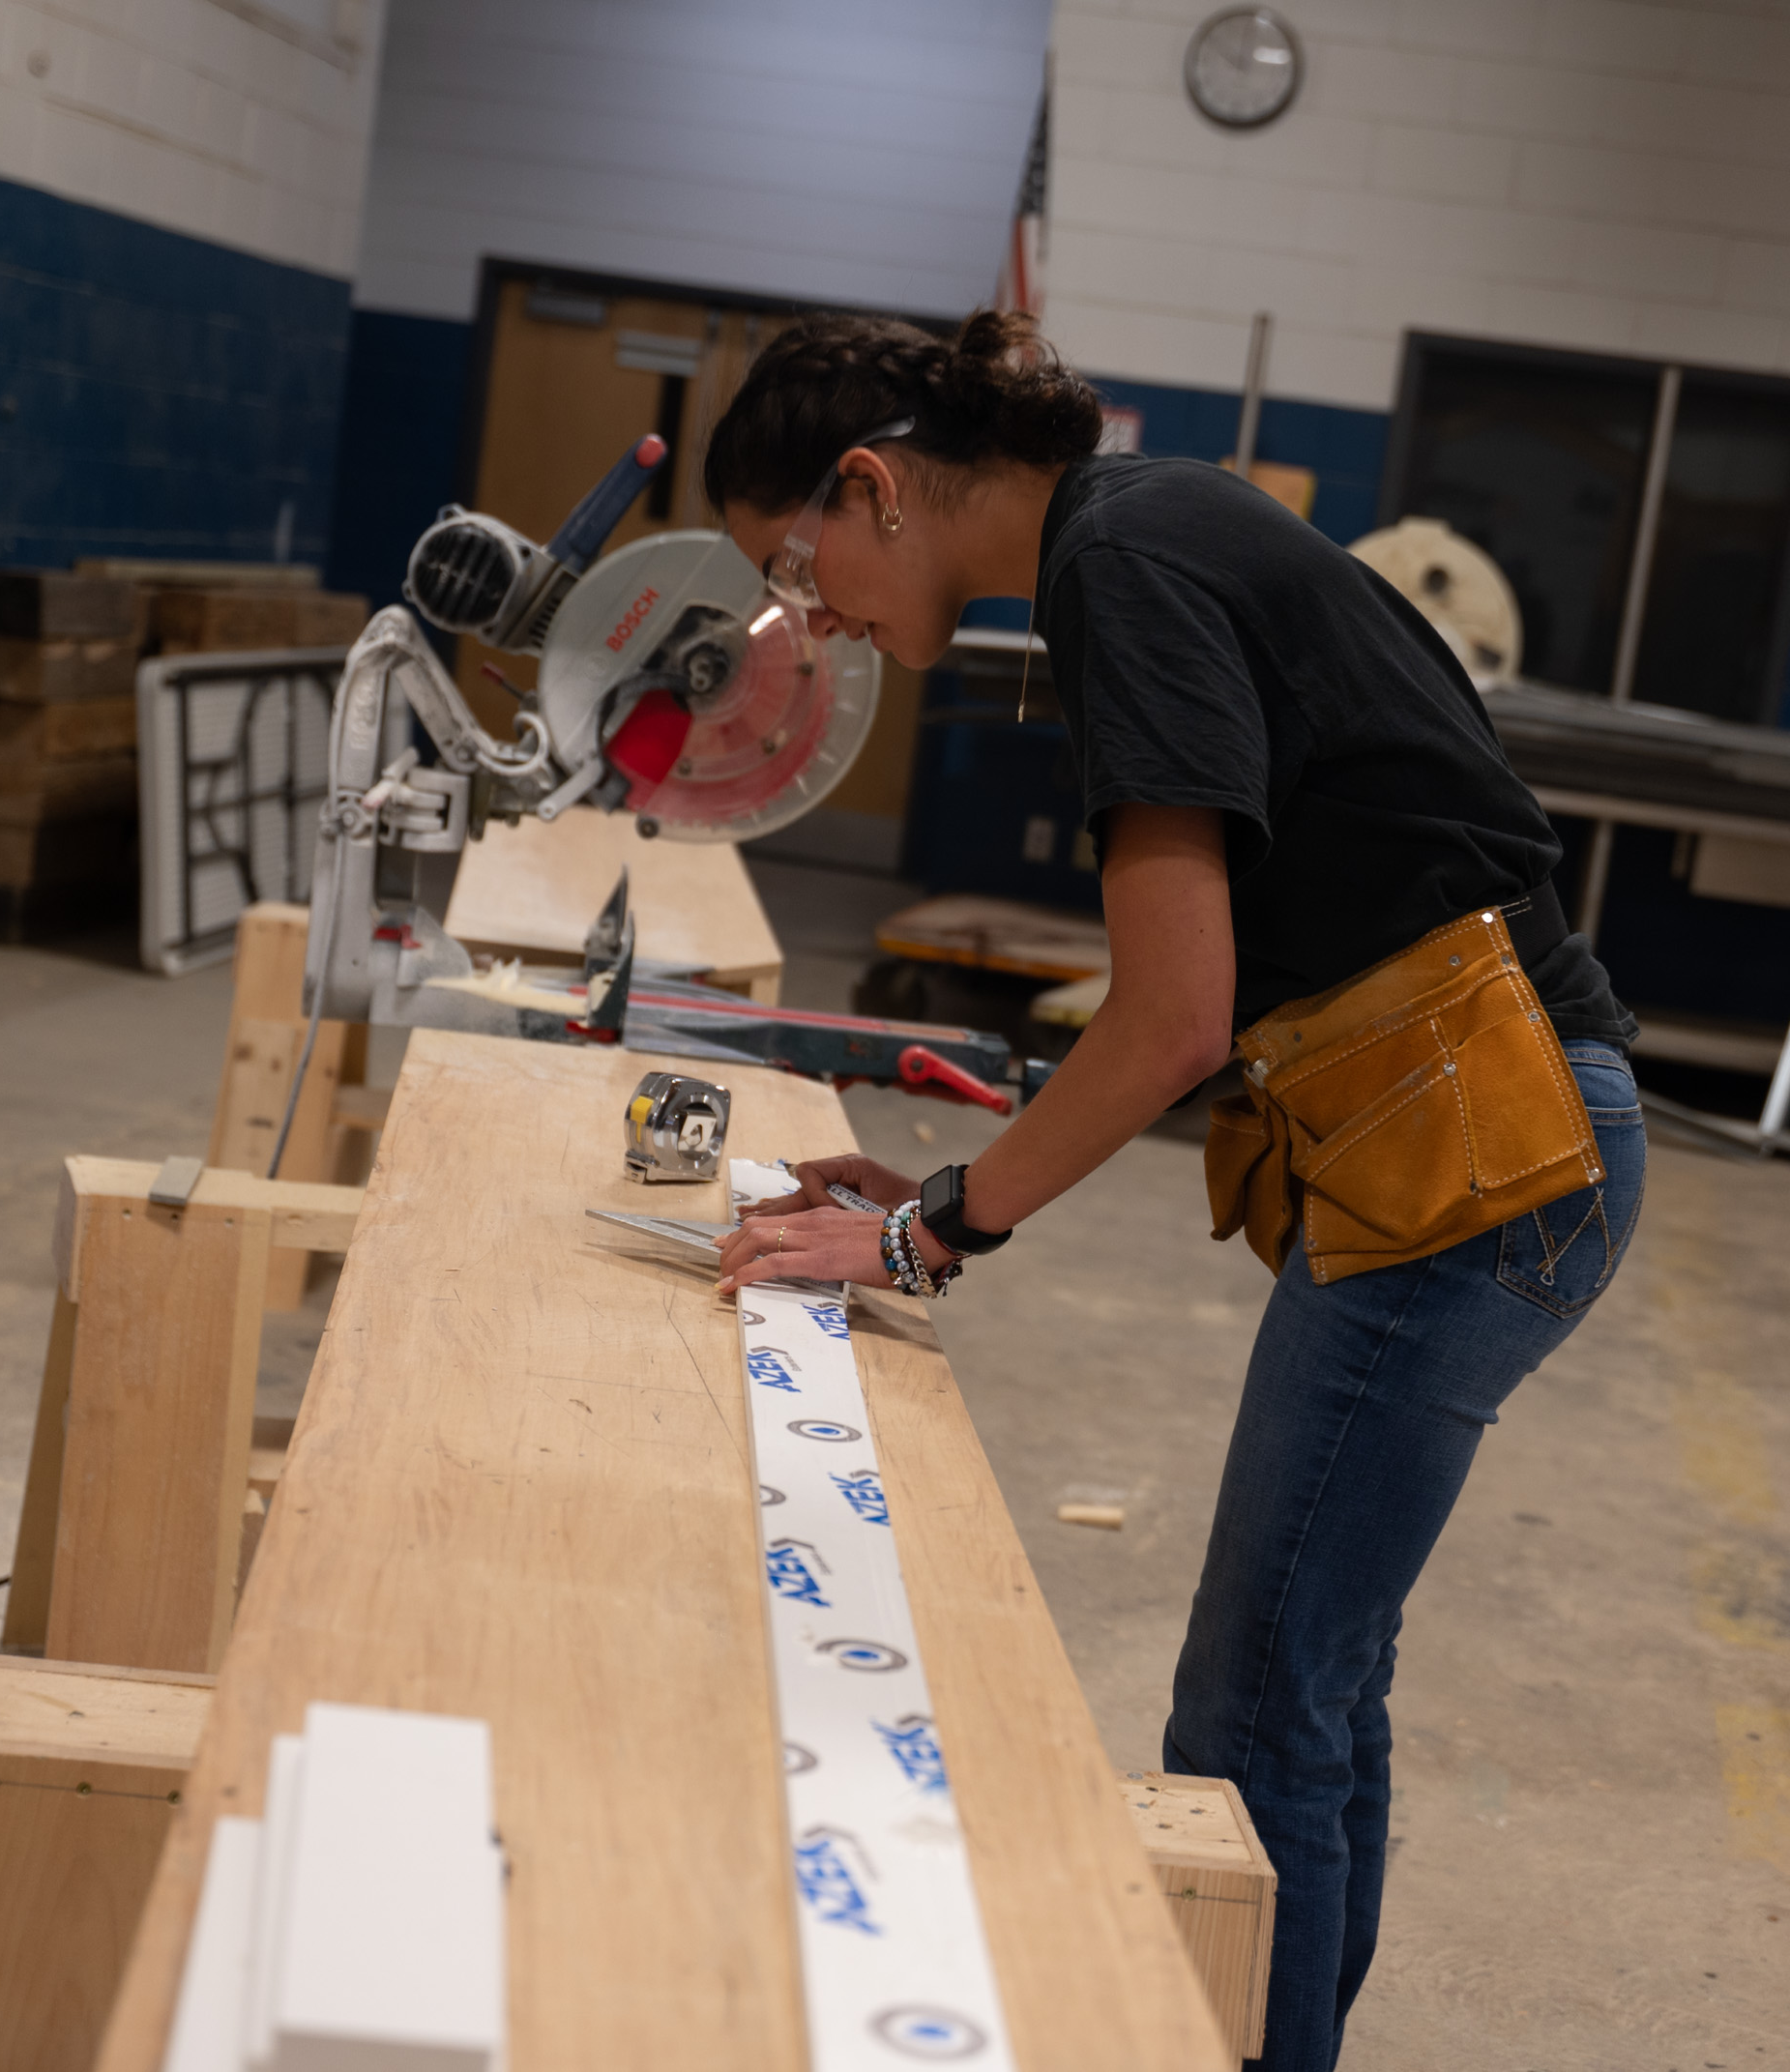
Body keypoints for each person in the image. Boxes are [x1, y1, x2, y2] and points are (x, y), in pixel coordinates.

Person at [703, 310, 1646, 2071]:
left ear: (871, 484)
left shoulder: (1121, 568)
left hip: (1482, 1160)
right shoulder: (1147, 520)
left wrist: (928, 1233)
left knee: (1255, 1699)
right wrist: (954, 1176)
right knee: (1314, 1682)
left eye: (795, 557)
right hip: (1490, 1132)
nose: (804, 608)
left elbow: (1174, 1020)